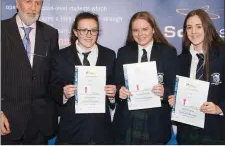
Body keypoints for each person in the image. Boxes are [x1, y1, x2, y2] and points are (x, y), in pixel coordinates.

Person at [1, 0, 59, 145]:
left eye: (38, 3)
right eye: (28, 1)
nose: (33, 7)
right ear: (17, 3)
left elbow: (53, 77)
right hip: (6, 120)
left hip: (40, 122)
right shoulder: (1, 30)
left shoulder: (50, 34)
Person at [50, 11, 116, 144]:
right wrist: (63, 93)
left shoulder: (109, 55)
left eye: (93, 30)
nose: (89, 35)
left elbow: (115, 85)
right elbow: (52, 87)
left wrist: (113, 95)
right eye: (83, 30)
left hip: (101, 131)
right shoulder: (60, 56)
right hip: (71, 131)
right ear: (75, 32)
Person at [113, 11, 177, 144]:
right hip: (127, 121)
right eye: (135, 30)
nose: (140, 34)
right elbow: (116, 84)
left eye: (145, 29)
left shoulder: (168, 52)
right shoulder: (123, 52)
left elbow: (174, 88)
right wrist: (120, 91)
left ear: (153, 29)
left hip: (156, 122)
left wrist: (164, 92)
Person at [168, 9, 225, 144]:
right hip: (187, 134)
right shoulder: (180, 60)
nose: (194, 32)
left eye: (198, 26)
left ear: (207, 27)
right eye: (189, 27)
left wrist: (220, 108)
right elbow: (175, 92)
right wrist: (174, 100)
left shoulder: (222, 54)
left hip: (216, 132)